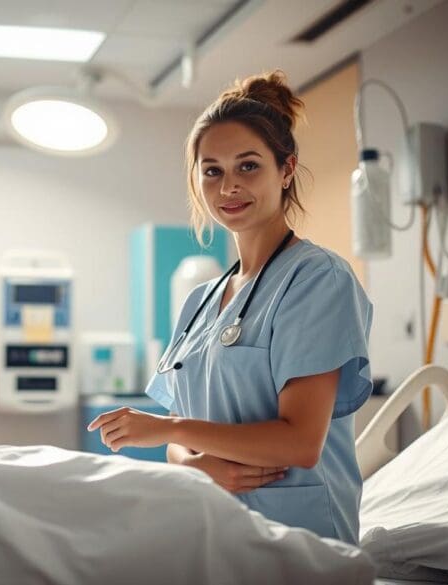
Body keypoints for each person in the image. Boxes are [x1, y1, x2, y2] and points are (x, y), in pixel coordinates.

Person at [87, 70, 373, 545]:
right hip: (211, 531)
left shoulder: (319, 279)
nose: (228, 187)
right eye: (212, 170)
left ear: (285, 170)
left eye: (248, 166)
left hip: (300, 540)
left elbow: (300, 443)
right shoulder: (200, 301)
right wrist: (198, 466)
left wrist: (164, 430)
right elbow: (182, 443)